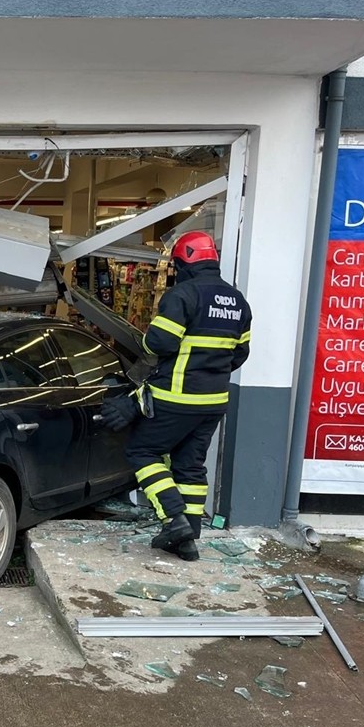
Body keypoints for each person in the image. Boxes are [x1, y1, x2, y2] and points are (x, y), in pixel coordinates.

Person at [125, 231, 252, 561]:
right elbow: (240, 354)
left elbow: (161, 343)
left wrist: (148, 343)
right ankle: (187, 540)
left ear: (183, 262)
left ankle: (173, 518)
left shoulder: (183, 294)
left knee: (143, 451)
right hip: (213, 402)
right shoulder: (238, 301)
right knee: (191, 466)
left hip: (176, 397)